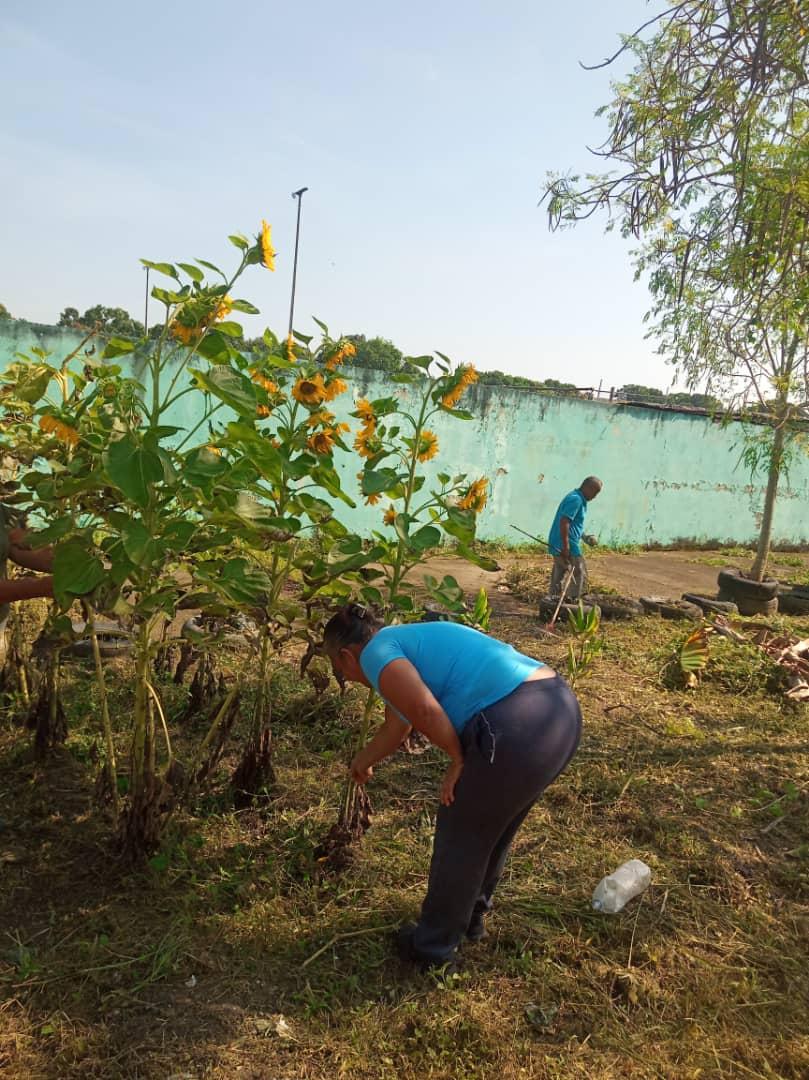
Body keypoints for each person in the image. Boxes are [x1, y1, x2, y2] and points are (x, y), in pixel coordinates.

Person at [323, 603, 582, 971]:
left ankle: (431, 948)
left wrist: (457, 758)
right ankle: (470, 919)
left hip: (517, 723)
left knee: (460, 835)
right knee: (492, 829)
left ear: (347, 656)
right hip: (556, 710)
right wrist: (362, 761)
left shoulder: (378, 654)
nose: (345, 677)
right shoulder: (402, 644)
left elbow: (426, 712)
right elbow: (398, 727)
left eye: (339, 670)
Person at [547, 476, 602, 600]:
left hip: (559, 541)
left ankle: (552, 600)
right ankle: (572, 600)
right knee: (579, 572)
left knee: (559, 572)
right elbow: (564, 522)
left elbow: (574, 524)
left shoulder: (577, 498)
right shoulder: (576, 500)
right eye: (595, 492)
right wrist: (566, 546)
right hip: (567, 543)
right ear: (588, 488)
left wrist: (585, 537)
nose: (595, 496)